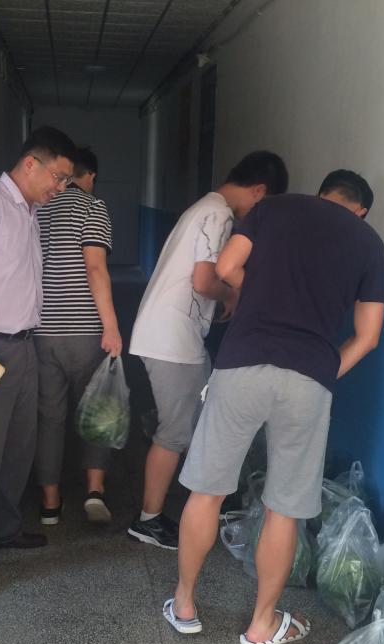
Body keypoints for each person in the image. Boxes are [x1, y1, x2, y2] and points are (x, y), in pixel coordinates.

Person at [164, 170, 384, 644]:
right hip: (308, 376)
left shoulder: (274, 208)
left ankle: (184, 605)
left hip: (243, 360)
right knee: (283, 510)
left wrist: (259, 297)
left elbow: (226, 267)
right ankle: (261, 624)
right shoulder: (367, 241)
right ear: (361, 210)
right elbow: (368, 336)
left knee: (207, 491)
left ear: (321, 192)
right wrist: (326, 369)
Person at [126, 151, 288, 550]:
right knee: (175, 431)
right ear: (259, 190)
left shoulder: (206, 208)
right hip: (171, 338)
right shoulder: (218, 214)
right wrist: (233, 295)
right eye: (263, 204)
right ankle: (148, 520)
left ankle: (203, 501)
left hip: (175, 335)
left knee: (200, 419)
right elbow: (203, 280)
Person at [0, 126, 77, 595]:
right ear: (30, 164)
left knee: (19, 446)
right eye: (58, 177)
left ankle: (5, 528)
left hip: (22, 346)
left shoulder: (29, 211)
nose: (60, 188)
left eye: (66, 181)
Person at [33, 146, 121, 525]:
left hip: (41, 330)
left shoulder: (39, 205)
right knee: (96, 409)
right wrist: (111, 325)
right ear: (91, 176)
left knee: (49, 417)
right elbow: (95, 268)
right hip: (84, 330)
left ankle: (50, 504)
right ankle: (94, 491)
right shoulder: (93, 207)